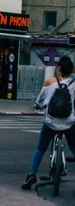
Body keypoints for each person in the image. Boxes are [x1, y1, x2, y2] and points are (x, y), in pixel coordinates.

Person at [22, 56, 75, 190]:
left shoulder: (49, 82)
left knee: (40, 149)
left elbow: (39, 102)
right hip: (69, 123)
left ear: (59, 68)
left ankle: (31, 174)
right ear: (71, 70)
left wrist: (38, 106)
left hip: (51, 122)